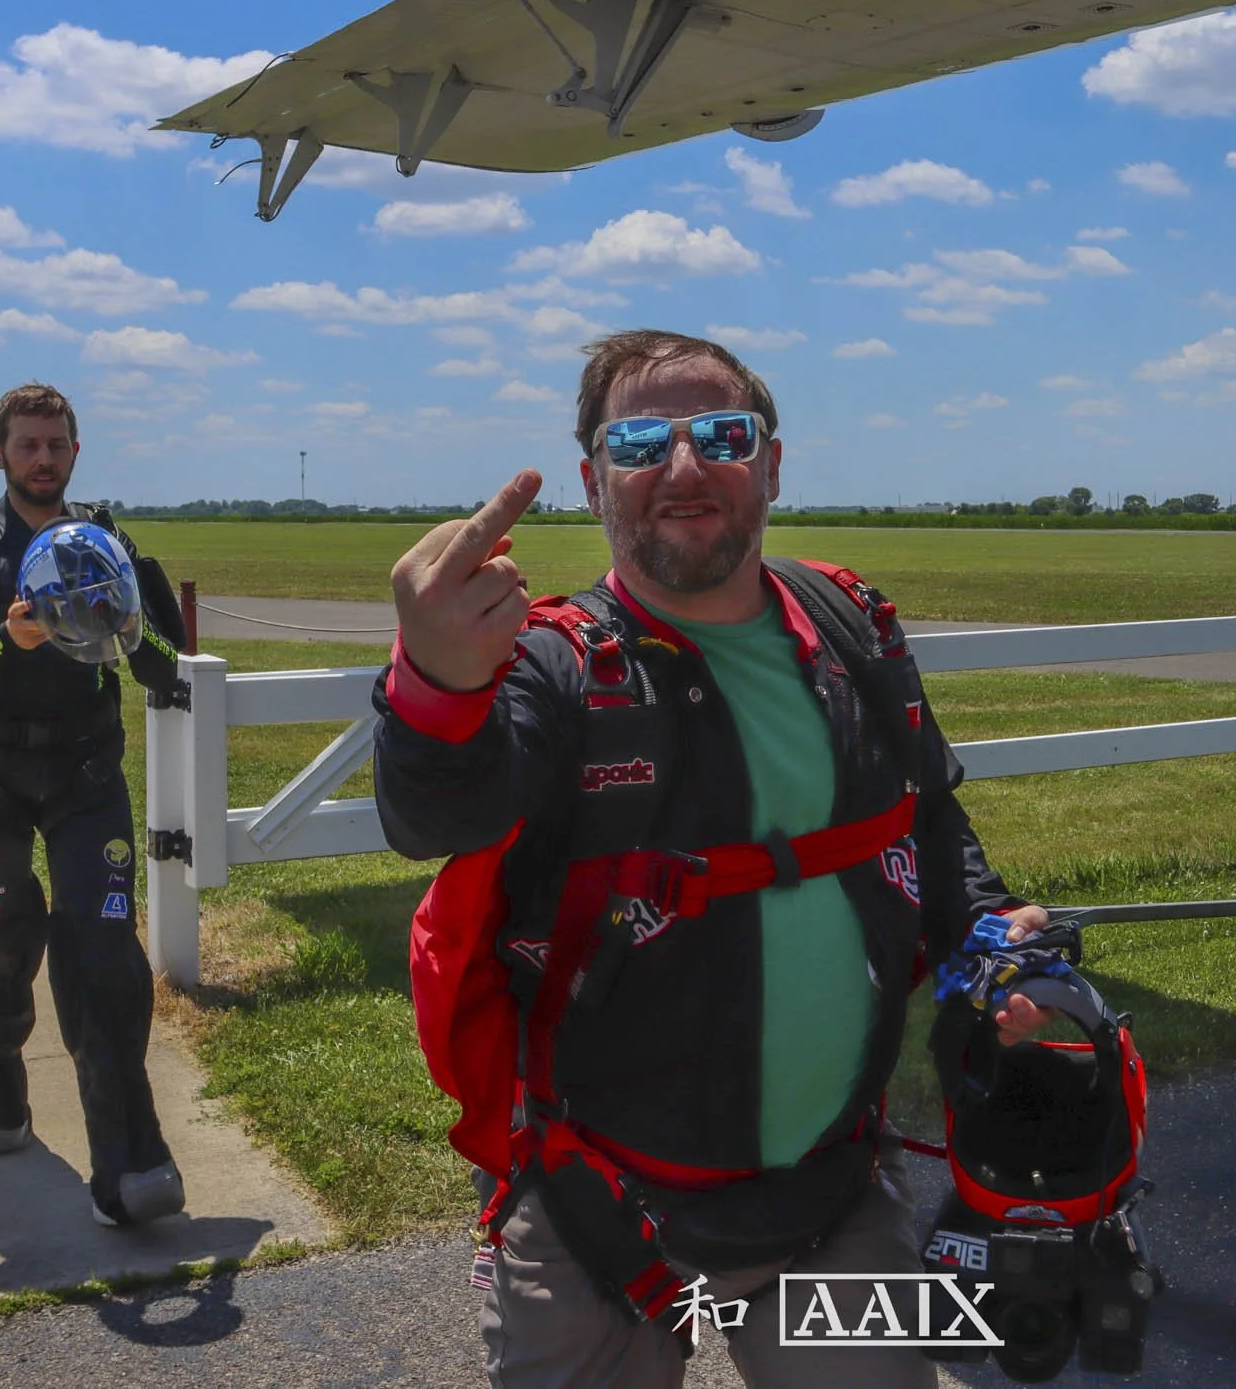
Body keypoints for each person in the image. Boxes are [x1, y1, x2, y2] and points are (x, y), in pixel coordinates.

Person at [376, 328, 1051, 1388]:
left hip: (835, 1192)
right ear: (596, 476)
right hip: (599, 1208)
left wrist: (988, 930)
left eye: (721, 434)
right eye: (641, 440)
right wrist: (434, 686)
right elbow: (436, 811)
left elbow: (924, 818)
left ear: (771, 464)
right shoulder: (561, 664)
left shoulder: (852, 627)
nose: (682, 468)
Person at [0, 382, 191, 1228]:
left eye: (56, 444)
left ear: (75, 452)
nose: (43, 459)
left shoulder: (108, 543)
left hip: (85, 775)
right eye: (27, 445)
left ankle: (132, 1163)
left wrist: (134, 630)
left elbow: (168, 669)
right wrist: (5, 639)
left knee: (103, 954)